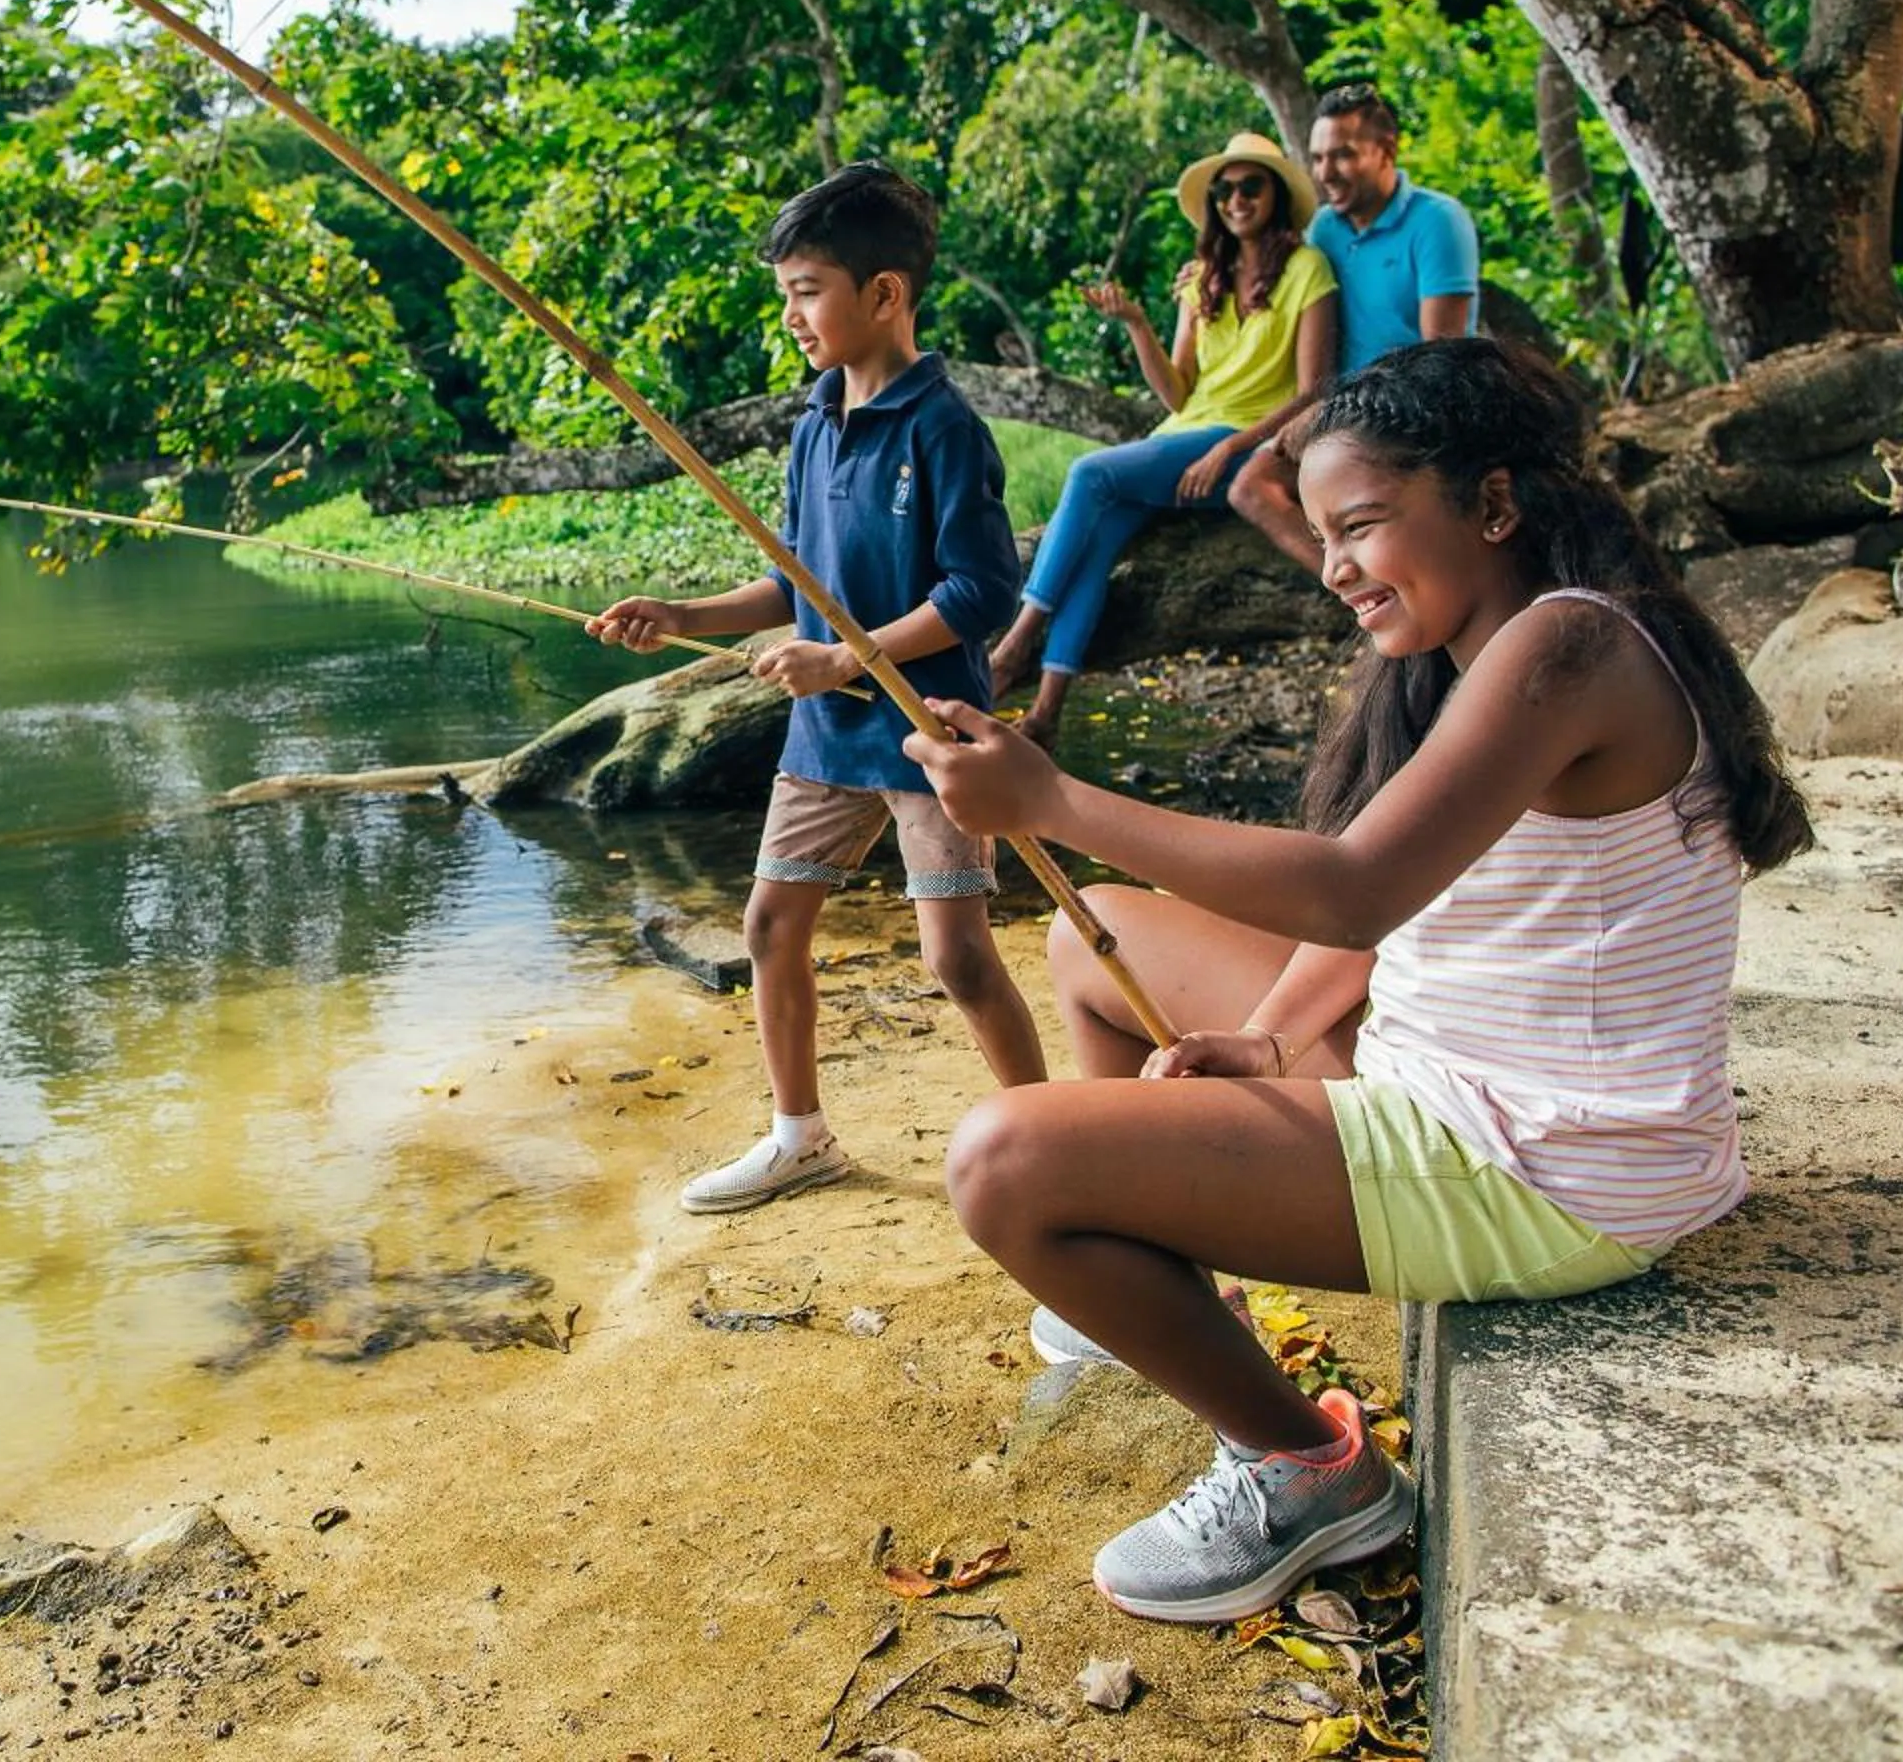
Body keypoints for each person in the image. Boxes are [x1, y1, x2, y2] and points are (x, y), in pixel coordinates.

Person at [903, 338, 1813, 1622]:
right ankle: (1169, 1279)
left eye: (1363, 526)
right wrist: (1270, 1043)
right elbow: (1397, 912)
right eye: (1320, 534)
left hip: (1553, 1166)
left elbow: (1354, 886)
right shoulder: (1494, 641)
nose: (1334, 569)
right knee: (1094, 935)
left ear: (1492, 504)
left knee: (999, 1160)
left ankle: (1308, 1468)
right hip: (1454, 1074)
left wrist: (1050, 798)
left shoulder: (1570, 651)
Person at [589, 163, 1047, 1213]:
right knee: (770, 924)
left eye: (807, 289)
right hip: (826, 739)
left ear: (884, 293)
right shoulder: (814, 423)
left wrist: (849, 657)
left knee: (959, 957)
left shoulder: (943, 428)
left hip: (932, 732)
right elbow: (794, 573)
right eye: (787, 291)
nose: (791, 314)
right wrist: (683, 615)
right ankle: (801, 1137)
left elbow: (983, 589)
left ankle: (1057, 1139)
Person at [987, 132, 1337, 747]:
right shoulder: (1202, 276)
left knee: (1089, 474)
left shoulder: (1308, 270)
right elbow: (1178, 394)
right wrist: (1138, 325)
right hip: (1186, 434)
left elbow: (1312, 390)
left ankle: (1017, 640)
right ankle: (1046, 711)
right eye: (1224, 191)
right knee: (1098, 539)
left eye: (1250, 186)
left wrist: (1229, 449)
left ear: (1276, 195)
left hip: (1246, 445)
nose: (1235, 200)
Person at [1225, 85, 1482, 569]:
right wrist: (1204, 274)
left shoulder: (1438, 220)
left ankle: (1389, 594)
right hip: (1341, 411)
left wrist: (1330, 410)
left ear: (1386, 151)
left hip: (1418, 407)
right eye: (1318, 158)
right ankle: (1357, 598)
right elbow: (1266, 276)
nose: (1326, 173)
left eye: (1343, 156)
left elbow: (1442, 359)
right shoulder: (1324, 230)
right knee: (1250, 487)